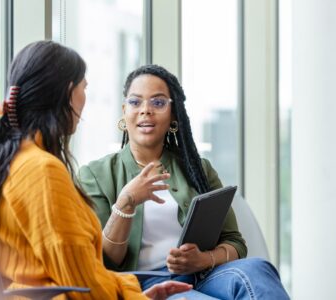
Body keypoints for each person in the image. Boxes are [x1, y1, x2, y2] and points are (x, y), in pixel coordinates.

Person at [0, 41, 192, 300]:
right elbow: (84, 285)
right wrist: (136, 296)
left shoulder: (17, 161)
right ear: (68, 93)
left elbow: (80, 275)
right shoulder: (42, 172)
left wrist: (137, 295)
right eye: (84, 88)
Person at [79, 64, 290, 299]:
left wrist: (203, 259)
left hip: (204, 275)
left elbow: (235, 243)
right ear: (124, 111)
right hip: (144, 283)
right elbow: (104, 260)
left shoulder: (198, 169)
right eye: (135, 102)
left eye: (158, 103)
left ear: (173, 114)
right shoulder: (95, 175)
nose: (145, 110)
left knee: (258, 269)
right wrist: (126, 203)